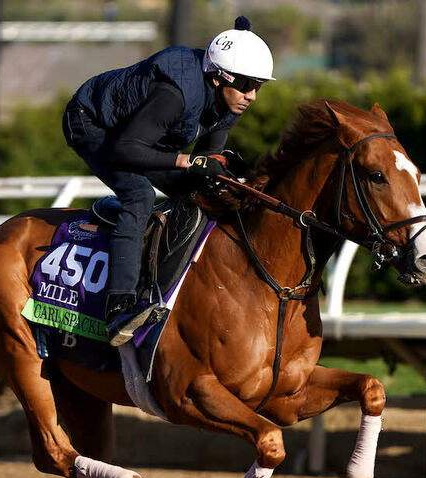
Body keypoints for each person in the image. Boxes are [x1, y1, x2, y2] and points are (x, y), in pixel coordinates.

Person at [62, 17, 275, 346]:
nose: (252, 96)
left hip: (136, 135)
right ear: (219, 78)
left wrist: (217, 177)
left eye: (258, 87)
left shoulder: (230, 102)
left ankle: (173, 286)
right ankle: (118, 306)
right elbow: (126, 150)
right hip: (93, 124)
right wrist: (188, 161)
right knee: (139, 196)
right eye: (247, 85)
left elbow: (205, 165)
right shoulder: (173, 95)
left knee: (201, 194)